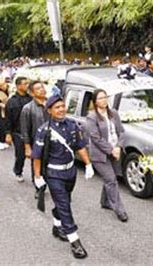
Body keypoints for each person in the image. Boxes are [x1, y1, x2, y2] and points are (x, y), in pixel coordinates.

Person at [32, 94, 94, 259]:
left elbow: (80, 146)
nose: (61, 110)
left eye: (62, 106)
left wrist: (88, 164)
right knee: (65, 205)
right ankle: (75, 242)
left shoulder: (72, 125)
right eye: (57, 108)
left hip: (70, 171)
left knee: (65, 201)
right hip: (54, 174)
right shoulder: (44, 130)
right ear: (50, 111)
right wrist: (38, 176)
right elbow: (36, 156)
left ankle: (57, 225)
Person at [86, 89, 128, 222]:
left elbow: (121, 131)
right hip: (100, 154)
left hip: (115, 150)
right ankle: (119, 210)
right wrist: (111, 150)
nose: (104, 100)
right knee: (111, 180)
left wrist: (118, 147)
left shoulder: (113, 113)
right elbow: (96, 138)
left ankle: (105, 201)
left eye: (105, 97)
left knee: (111, 178)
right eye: (100, 98)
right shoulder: (92, 117)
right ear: (95, 101)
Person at [21, 81, 49, 195]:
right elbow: (25, 129)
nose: (41, 90)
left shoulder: (51, 104)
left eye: (42, 87)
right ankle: (39, 188)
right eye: (38, 88)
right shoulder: (28, 108)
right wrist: (27, 147)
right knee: (37, 166)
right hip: (37, 142)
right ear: (32, 93)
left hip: (52, 140)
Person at [4, 77, 32, 182]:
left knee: (36, 155)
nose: (27, 86)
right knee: (21, 155)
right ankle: (18, 171)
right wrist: (8, 133)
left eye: (27, 83)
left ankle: (37, 177)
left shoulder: (31, 99)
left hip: (31, 131)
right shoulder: (12, 102)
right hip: (18, 132)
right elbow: (7, 119)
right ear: (18, 86)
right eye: (25, 83)